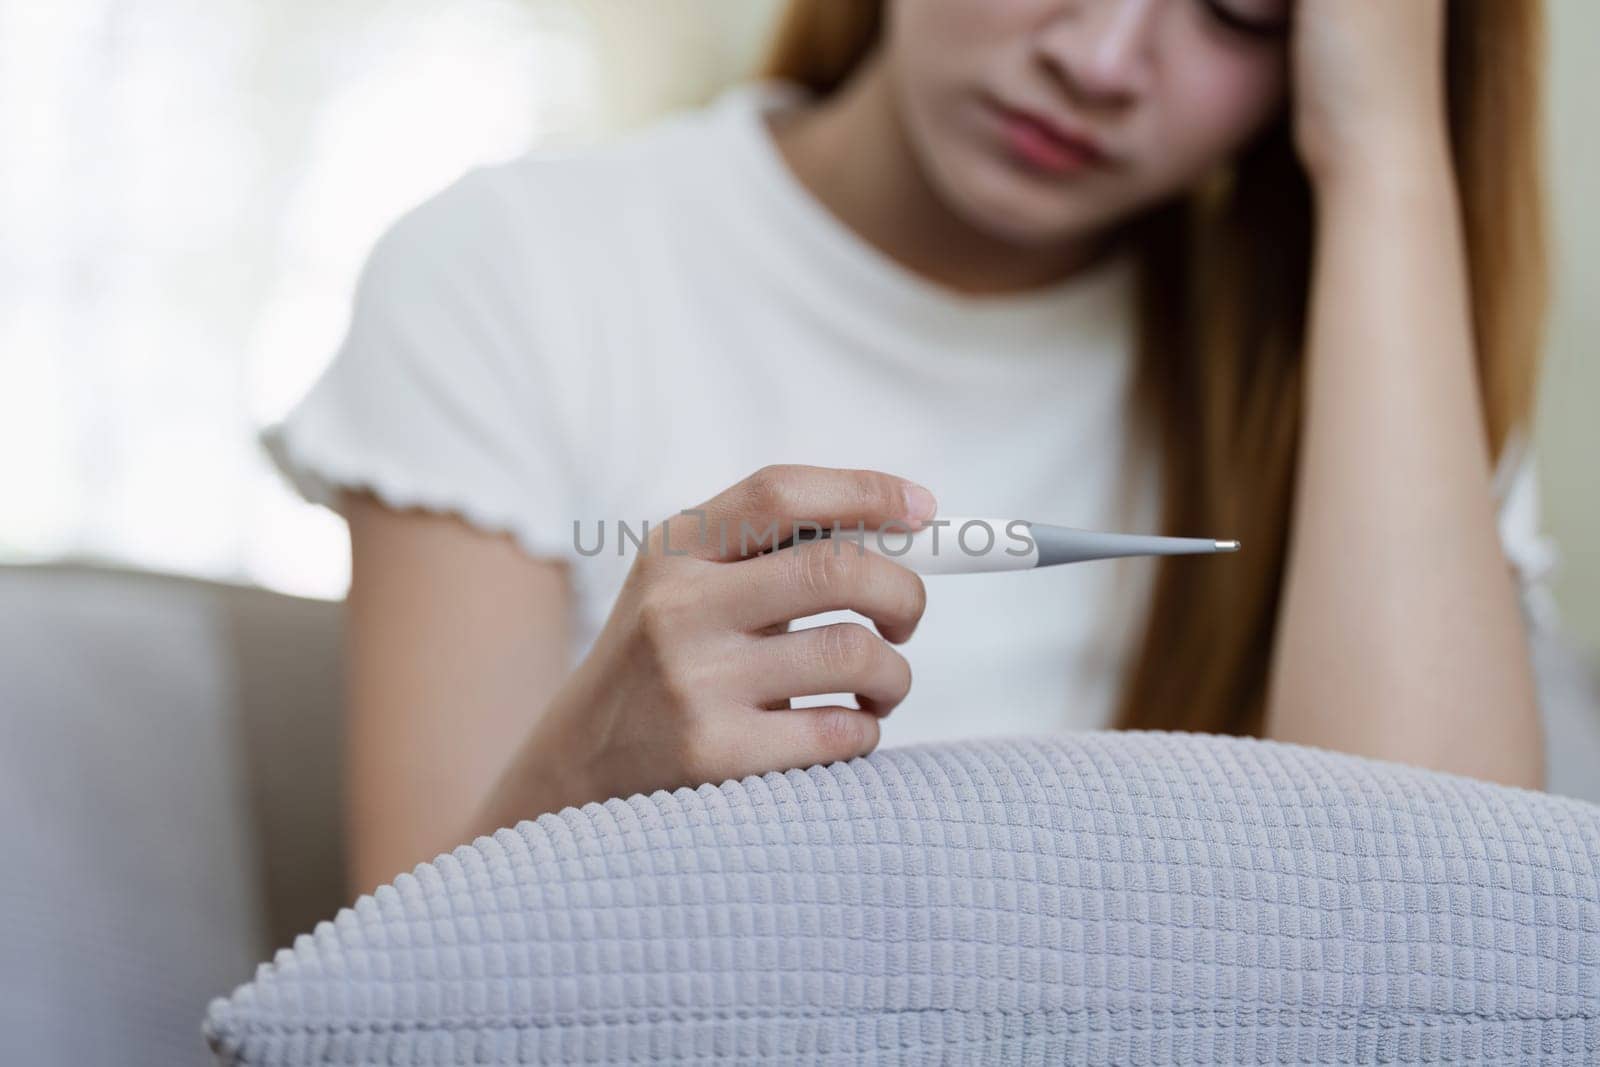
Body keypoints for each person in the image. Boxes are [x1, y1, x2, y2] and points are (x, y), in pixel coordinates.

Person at [265, 0, 1555, 897]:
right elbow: (400, 1015)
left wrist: (1385, 153)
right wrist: (586, 774)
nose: (1103, 58)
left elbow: (1441, 949)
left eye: (1242, 7)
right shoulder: (514, 270)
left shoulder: (1376, 369)